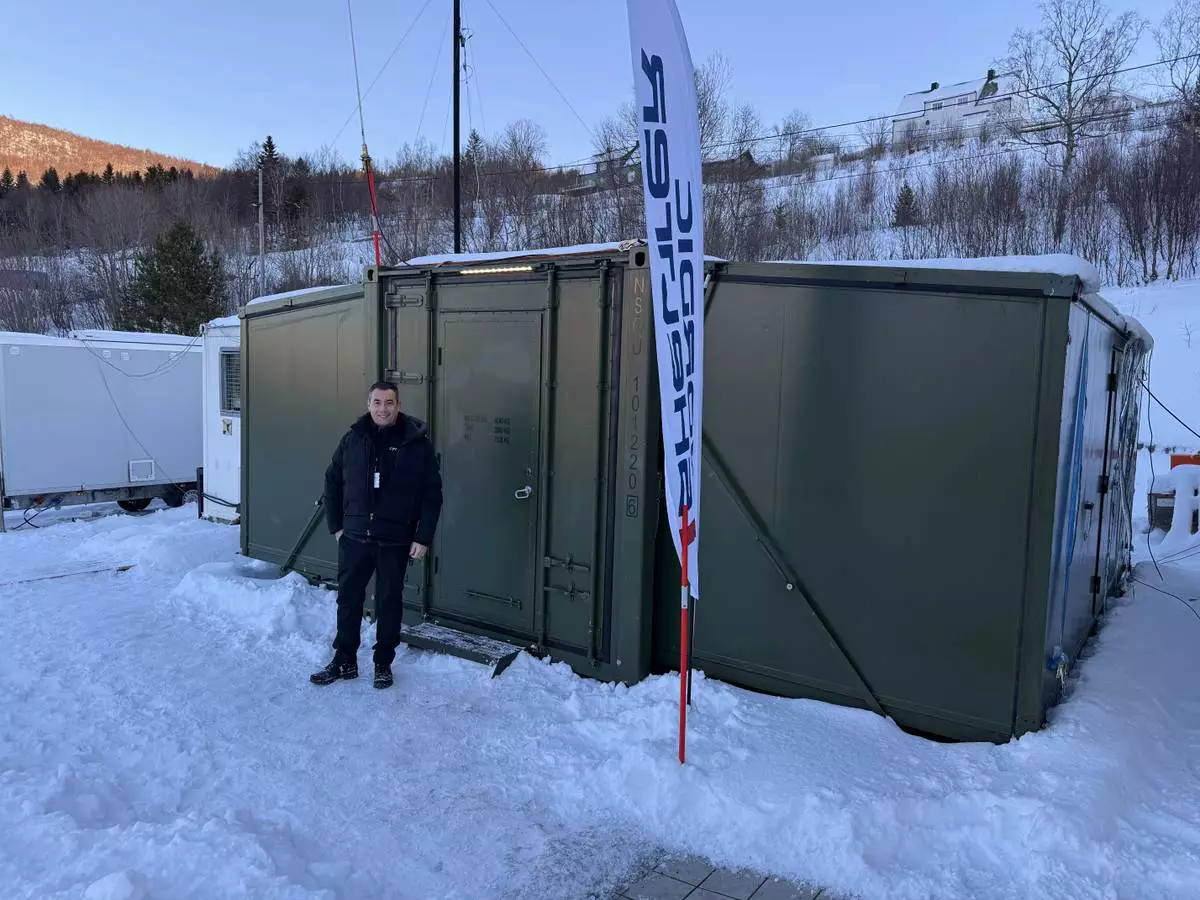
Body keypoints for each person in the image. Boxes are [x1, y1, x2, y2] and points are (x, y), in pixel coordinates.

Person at [310, 380, 443, 689]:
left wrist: (422, 537)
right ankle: (344, 659)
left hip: (395, 539)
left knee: (388, 602)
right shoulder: (353, 439)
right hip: (355, 537)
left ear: (398, 405)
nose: (383, 409)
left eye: (389, 402)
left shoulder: (416, 444)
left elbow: (432, 495)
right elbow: (332, 481)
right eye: (377, 402)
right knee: (348, 600)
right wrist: (337, 526)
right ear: (368, 404)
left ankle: (383, 663)